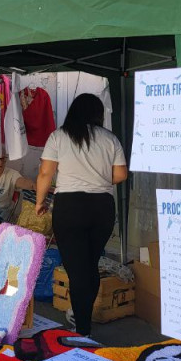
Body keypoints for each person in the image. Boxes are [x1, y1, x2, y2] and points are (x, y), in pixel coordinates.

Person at [36, 93, 127, 336]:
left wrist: (39, 202)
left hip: (70, 206)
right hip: (102, 207)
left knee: (76, 270)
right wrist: (98, 180)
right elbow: (120, 175)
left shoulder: (58, 136)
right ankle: (81, 316)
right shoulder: (110, 139)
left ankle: (82, 329)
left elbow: (45, 173)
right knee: (90, 264)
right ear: (98, 114)